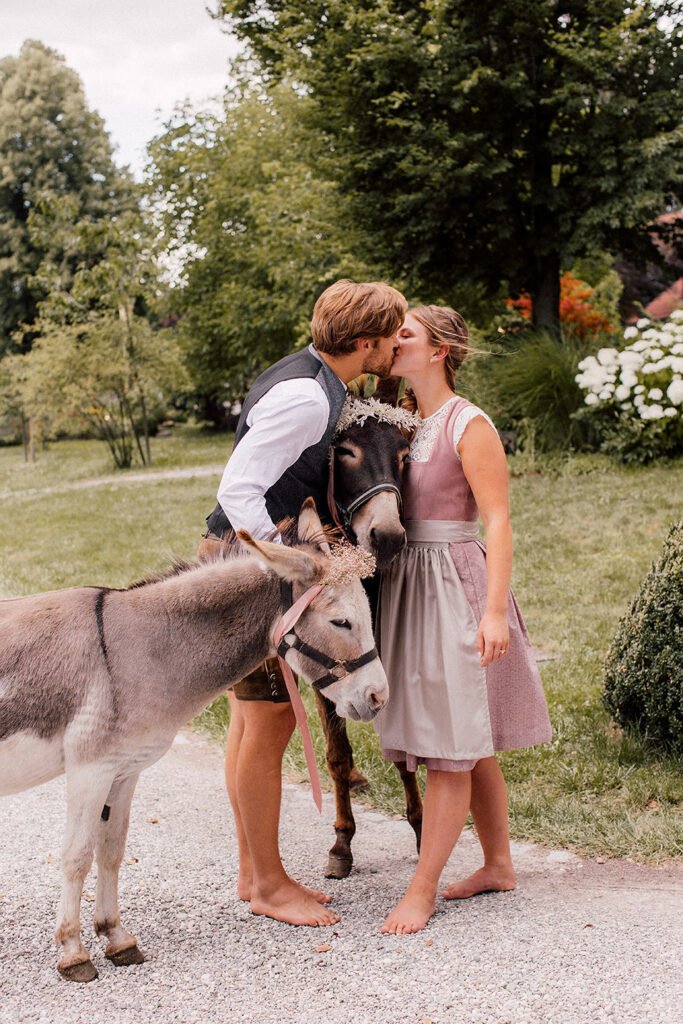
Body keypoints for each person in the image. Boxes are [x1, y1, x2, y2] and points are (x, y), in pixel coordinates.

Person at [199, 279, 407, 927]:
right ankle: (267, 884)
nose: (398, 342)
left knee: (248, 723)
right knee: (268, 726)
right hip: (254, 575)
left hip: (239, 563)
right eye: (393, 333)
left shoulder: (310, 378)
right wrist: (286, 565)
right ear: (366, 342)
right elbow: (239, 489)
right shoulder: (306, 397)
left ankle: (251, 873)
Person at [375, 305, 552, 935]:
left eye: (406, 335)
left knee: (451, 748)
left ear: (441, 349)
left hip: (454, 583)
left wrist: (495, 611)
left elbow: (499, 519)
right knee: (466, 743)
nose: (394, 343)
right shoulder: (400, 423)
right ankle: (498, 864)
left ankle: (420, 892)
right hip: (409, 587)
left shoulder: (467, 423)